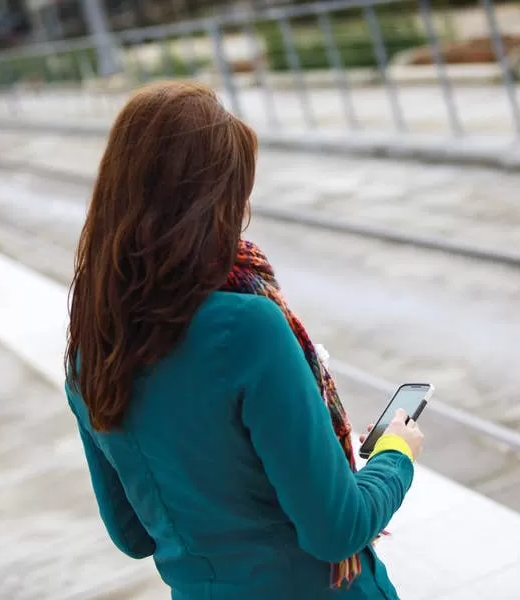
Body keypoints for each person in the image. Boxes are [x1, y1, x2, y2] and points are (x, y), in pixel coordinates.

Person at [65, 80, 425, 600]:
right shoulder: (248, 328)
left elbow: (133, 534)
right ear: (210, 205)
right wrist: (395, 454)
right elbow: (336, 530)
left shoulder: (90, 353)